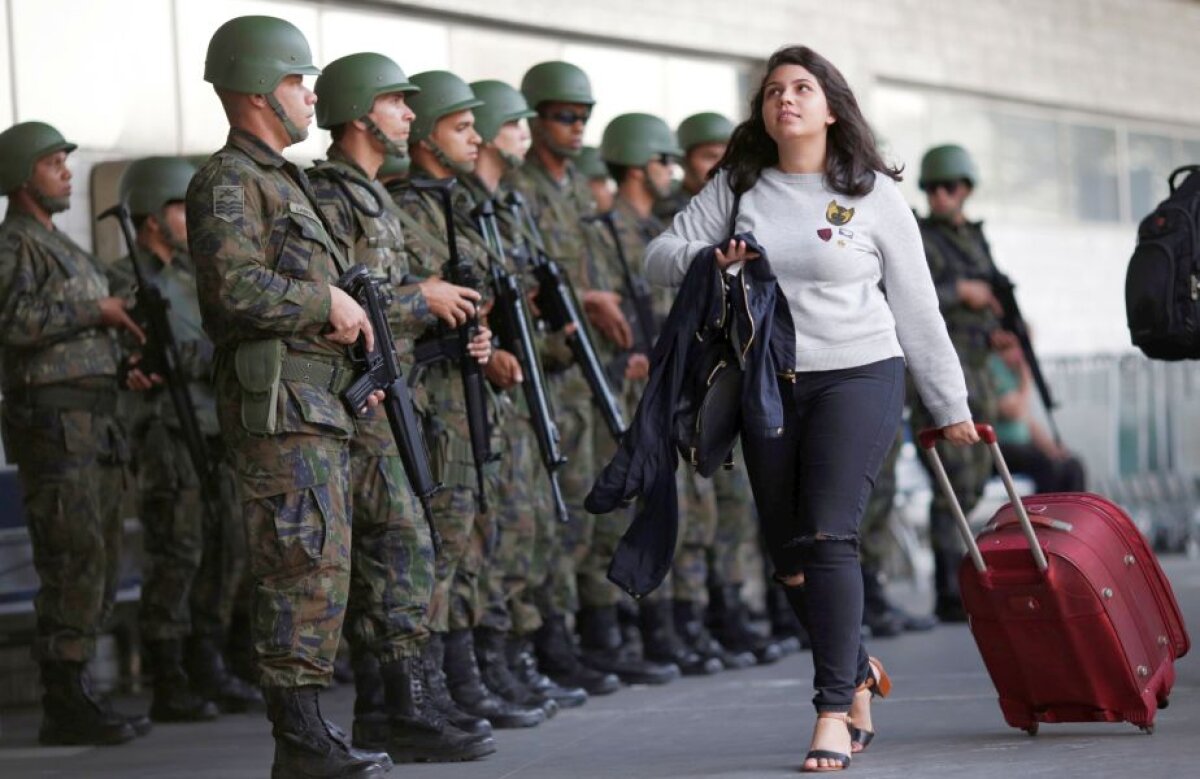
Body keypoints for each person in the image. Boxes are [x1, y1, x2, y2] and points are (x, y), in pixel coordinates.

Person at [643, 45, 976, 772]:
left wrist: (950, 404)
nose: (785, 99)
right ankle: (855, 667)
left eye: (801, 88)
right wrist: (711, 258)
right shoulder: (739, 185)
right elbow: (658, 256)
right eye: (772, 91)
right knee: (791, 556)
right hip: (768, 380)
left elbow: (917, 307)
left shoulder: (871, 193)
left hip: (860, 372)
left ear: (830, 107)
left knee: (829, 535)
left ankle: (831, 708)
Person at [185, 16, 392, 777]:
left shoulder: (282, 179)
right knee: (296, 564)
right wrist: (324, 301)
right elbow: (230, 289)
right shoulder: (229, 180)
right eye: (299, 80)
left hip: (314, 407)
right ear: (257, 89)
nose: (311, 95)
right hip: (278, 413)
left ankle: (309, 732)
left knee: (321, 564)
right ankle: (299, 740)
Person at [307, 52, 495, 763]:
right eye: (396, 103)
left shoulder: (372, 194)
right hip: (362, 401)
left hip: (397, 390)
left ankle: (403, 702)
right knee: (397, 545)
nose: (408, 116)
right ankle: (397, 705)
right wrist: (423, 297)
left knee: (407, 544)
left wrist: (446, 317)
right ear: (360, 113)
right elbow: (338, 298)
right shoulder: (330, 194)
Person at [510, 61, 673, 687]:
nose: (576, 128)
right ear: (535, 118)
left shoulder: (578, 191)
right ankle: (556, 644)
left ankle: (596, 636)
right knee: (558, 518)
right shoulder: (520, 191)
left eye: (584, 118)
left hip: (587, 374)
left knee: (597, 511)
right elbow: (524, 283)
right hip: (545, 374)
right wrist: (586, 298)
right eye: (563, 117)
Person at [399, 69, 550, 730]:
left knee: (487, 537)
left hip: (473, 389)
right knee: (447, 546)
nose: (477, 136)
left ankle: (474, 668)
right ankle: (445, 680)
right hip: (433, 399)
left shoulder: (459, 206)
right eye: (460, 126)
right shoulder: (403, 205)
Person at [0, 120, 157, 747]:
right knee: (71, 557)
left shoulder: (63, 246)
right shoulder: (14, 243)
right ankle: (64, 698)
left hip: (95, 422)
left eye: (68, 162)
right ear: (21, 176)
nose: (66, 171)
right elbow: (11, 320)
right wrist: (95, 310)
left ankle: (80, 686)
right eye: (53, 162)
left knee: (97, 555)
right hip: (55, 425)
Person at [113, 156, 260, 722]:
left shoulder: (189, 277)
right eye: (180, 208)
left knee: (224, 549)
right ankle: (169, 672)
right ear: (151, 217)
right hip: (168, 437)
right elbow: (164, 351)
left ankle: (212, 658)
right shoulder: (128, 281)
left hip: (211, 431)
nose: (190, 219)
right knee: (179, 552)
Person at [656, 110, 784, 666]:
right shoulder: (676, 224)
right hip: (686, 376)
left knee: (731, 505)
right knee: (694, 504)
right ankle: (691, 617)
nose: (717, 170)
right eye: (707, 157)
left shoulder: (749, 215)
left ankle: (727, 610)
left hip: (731, 375)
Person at [911, 143, 1005, 623]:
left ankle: (958, 578)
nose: (941, 196)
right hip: (942, 372)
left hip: (979, 368)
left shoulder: (974, 238)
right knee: (952, 480)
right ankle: (950, 586)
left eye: (950, 187)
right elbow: (910, 294)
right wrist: (960, 293)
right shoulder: (920, 236)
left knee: (974, 478)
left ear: (966, 189)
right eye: (933, 188)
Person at [989, 334, 1085, 493]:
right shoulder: (993, 368)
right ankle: (1042, 515)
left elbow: (1027, 421)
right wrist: (1026, 378)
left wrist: (1052, 448)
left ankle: (1071, 514)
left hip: (1023, 446)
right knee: (1046, 465)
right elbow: (1015, 411)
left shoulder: (1014, 375)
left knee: (1073, 466)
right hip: (1000, 447)